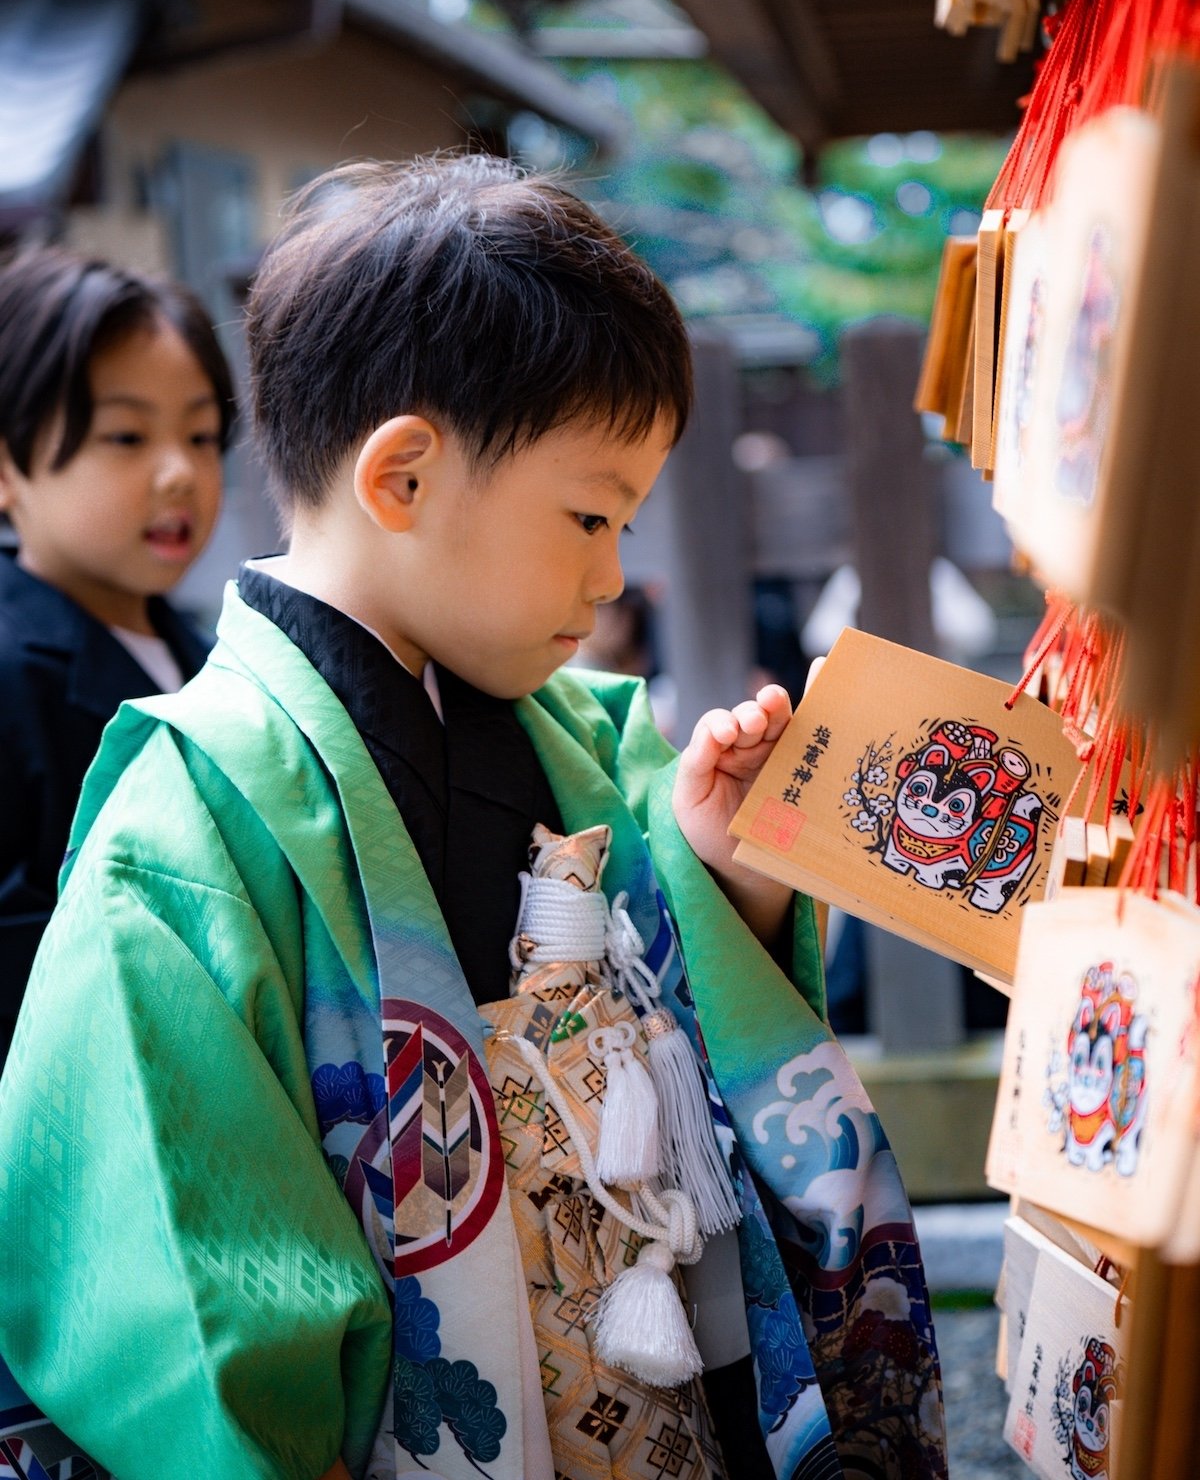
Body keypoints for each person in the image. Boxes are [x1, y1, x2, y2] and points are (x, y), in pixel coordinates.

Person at [0, 160, 946, 1480]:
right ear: (403, 478)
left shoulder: (587, 742)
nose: (611, 573)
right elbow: (188, 1280)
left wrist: (726, 882)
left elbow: (701, 1066)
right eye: (590, 515)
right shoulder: (188, 828)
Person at [0, 249, 234, 1064]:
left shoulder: (217, 662)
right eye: (127, 436)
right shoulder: (11, 675)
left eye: (202, 436)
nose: (180, 473)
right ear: (8, 466)